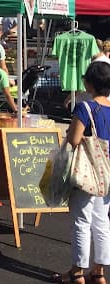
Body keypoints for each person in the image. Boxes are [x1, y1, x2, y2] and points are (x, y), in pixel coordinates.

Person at [52, 61, 110, 284]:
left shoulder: (85, 108)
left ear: (90, 83)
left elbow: (74, 140)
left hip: (86, 172)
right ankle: (99, 271)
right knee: (102, 221)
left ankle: (77, 272)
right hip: (106, 173)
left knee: (81, 220)